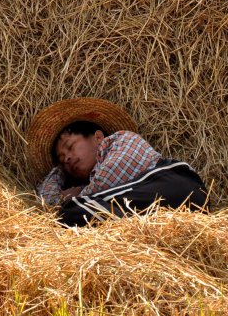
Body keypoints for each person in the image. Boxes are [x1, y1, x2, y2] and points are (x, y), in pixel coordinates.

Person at [26, 97, 209, 226]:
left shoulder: (122, 140)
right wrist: (58, 171)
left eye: (70, 146)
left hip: (171, 185)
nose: (66, 158)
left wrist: (75, 196)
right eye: (61, 159)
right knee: (71, 215)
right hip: (144, 212)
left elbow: (111, 175)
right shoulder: (98, 194)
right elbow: (47, 204)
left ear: (98, 137)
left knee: (74, 208)